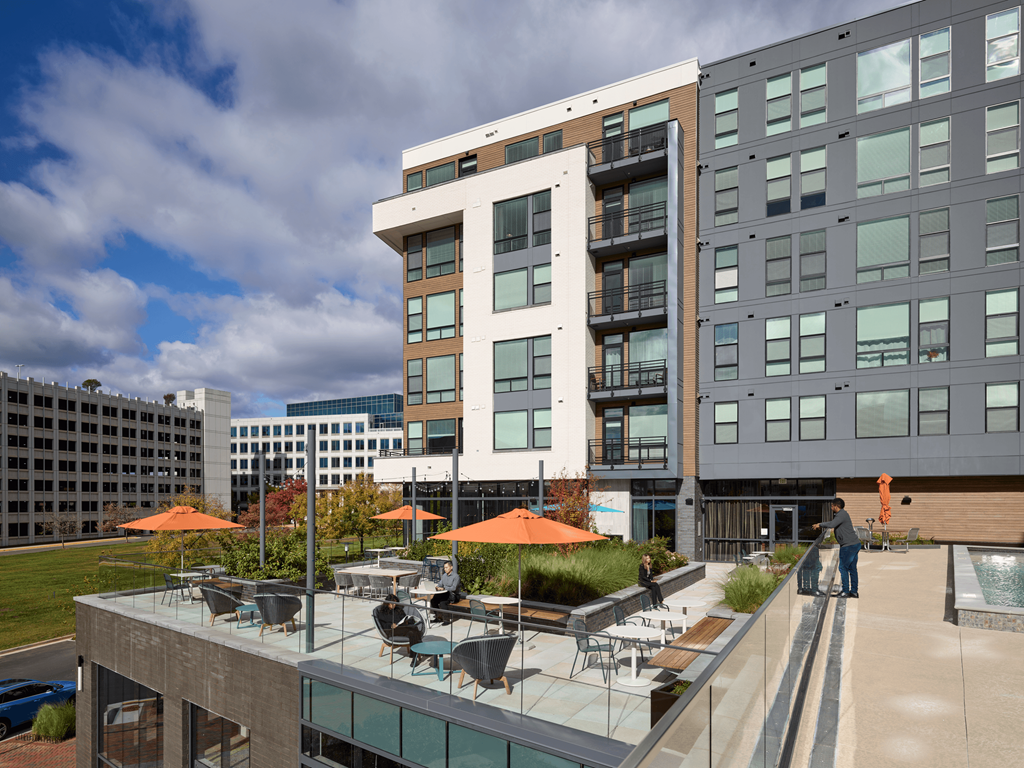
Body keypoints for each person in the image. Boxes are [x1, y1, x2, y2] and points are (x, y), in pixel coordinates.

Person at [813, 497, 859, 598]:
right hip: (854, 544)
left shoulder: (841, 514)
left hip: (848, 545)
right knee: (852, 568)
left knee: (843, 567)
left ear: (836, 506)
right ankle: (854, 592)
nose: (831, 507)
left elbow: (832, 524)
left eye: (832, 506)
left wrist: (819, 525)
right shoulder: (842, 514)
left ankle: (846, 591)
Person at [373, 594, 424, 667]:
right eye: (392, 603)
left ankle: (414, 657)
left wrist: (406, 621)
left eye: (395, 603)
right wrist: (391, 625)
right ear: (387, 603)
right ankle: (420, 646)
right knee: (414, 629)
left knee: (412, 632)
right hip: (392, 631)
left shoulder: (398, 610)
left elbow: (403, 619)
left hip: (403, 629)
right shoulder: (382, 612)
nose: (394, 605)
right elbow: (381, 626)